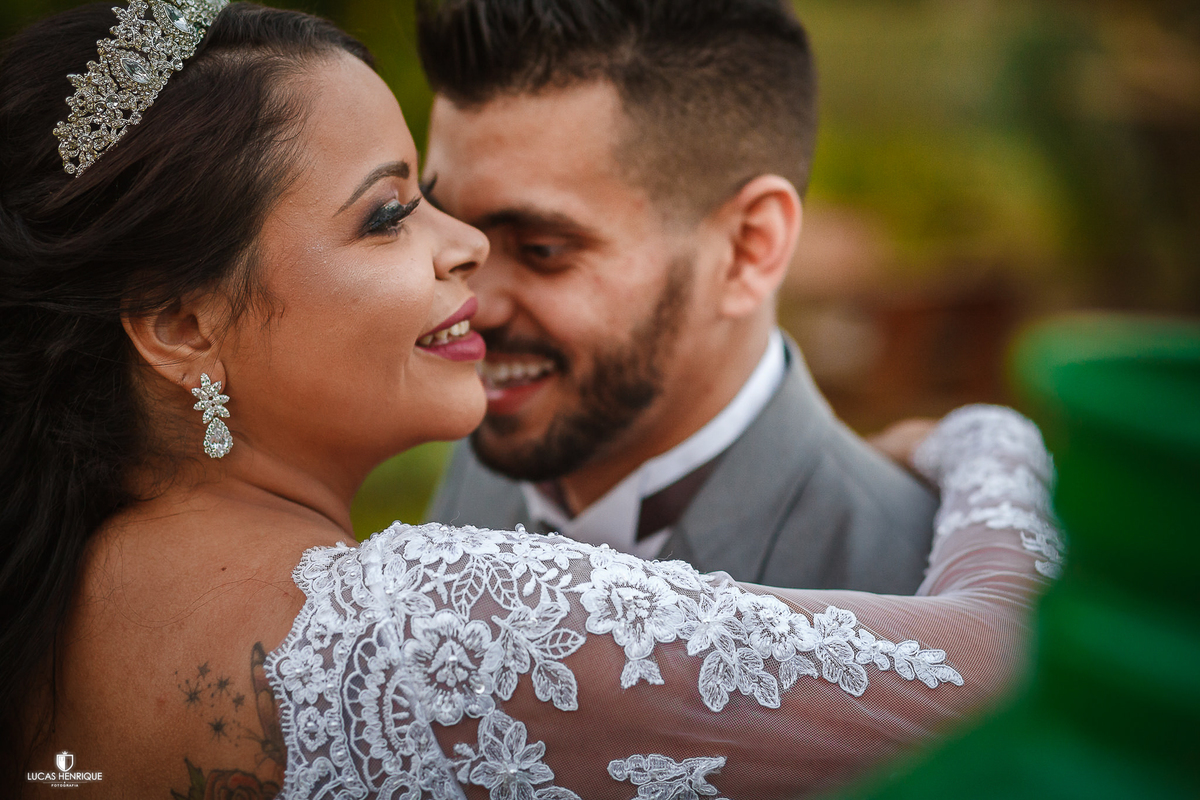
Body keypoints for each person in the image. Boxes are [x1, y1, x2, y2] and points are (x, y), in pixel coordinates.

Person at [0, 2, 1061, 798]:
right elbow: (1002, 659)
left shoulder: (61, 576)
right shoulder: (422, 614)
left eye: (542, 245)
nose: (467, 256)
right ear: (180, 325)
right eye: (390, 215)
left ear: (752, 247)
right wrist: (992, 440)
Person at [419, 0, 940, 593]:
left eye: (541, 249)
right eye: (452, 233)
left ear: (749, 249)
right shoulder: (481, 449)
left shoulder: (913, 594)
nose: (469, 306)